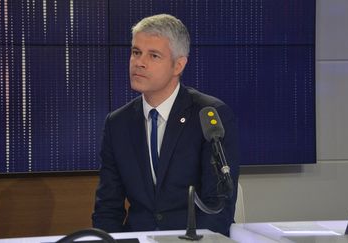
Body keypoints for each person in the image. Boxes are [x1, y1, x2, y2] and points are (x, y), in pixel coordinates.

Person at [92, 14, 238, 236]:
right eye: (136, 52)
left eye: (154, 55)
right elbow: (107, 208)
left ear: (178, 65)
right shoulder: (117, 123)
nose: (139, 62)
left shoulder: (209, 116)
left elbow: (218, 206)